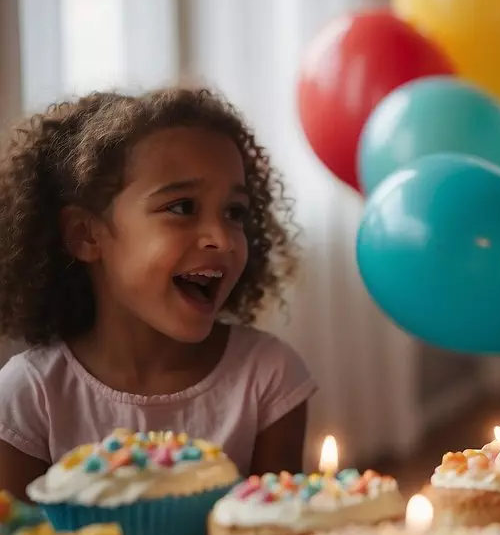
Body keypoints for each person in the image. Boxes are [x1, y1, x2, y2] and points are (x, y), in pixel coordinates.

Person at [0, 88, 317, 496]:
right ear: (85, 235)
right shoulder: (30, 397)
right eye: (182, 207)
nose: (221, 238)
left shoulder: (268, 378)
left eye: (234, 212)